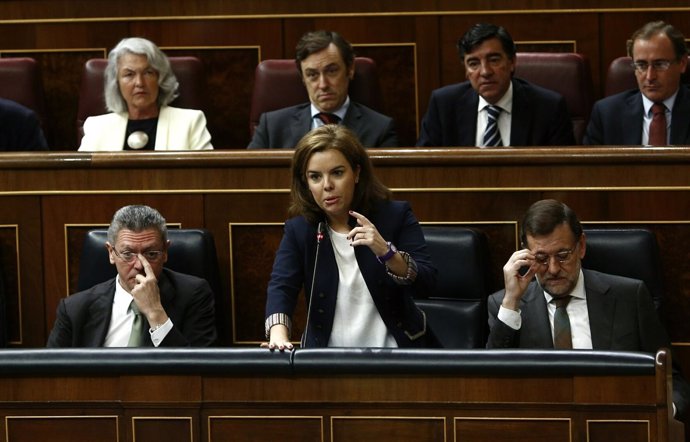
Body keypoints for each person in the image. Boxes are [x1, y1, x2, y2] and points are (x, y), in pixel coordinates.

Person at [487, 198, 690, 420]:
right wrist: (511, 302)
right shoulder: (507, 305)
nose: (553, 269)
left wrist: (661, 416)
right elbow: (490, 386)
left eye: (563, 256)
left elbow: (673, 381)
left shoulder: (629, 297)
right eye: (541, 259)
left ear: (581, 246)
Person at [263, 124, 436, 349]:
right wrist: (278, 336)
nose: (327, 186)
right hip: (327, 360)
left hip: (400, 354)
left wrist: (387, 253)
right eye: (315, 177)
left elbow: (427, 284)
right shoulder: (300, 230)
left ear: (356, 173)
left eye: (337, 173)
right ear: (306, 183)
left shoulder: (394, 216)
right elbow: (282, 286)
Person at [47, 205, 217, 347]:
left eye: (151, 254)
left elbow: (197, 372)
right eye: (128, 254)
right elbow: (51, 374)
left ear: (165, 252)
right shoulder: (74, 309)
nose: (139, 265)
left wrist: (155, 312)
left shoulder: (194, 295)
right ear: (111, 253)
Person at [417, 23, 575, 147]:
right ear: (465, 70)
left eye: (494, 60)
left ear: (512, 62)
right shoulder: (443, 105)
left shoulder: (549, 107)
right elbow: (424, 168)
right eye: (473, 63)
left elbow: (563, 174)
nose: (485, 72)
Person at [248, 30, 398, 149]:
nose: (323, 84)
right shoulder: (272, 126)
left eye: (331, 71)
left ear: (350, 69)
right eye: (312, 75)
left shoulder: (380, 129)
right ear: (303, 78)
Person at [78, 37, 213, 151]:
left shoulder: (190, 122)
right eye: (129, 74)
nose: (139, 82)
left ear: (160, 78)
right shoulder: (97, 128)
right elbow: (83, 179)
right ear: (116, 83)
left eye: (148, 73)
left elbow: (205, 177)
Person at [583, 21, 689, 145]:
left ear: (682, 63)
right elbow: (589, 164)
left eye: (660, 64)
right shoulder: (607, 114)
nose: (650, 76)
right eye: (641, 65)